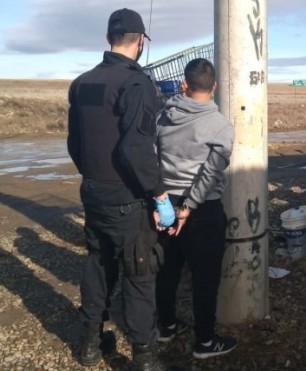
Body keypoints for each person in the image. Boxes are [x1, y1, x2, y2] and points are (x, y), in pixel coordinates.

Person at [67, 8, 176, 370]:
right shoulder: (136, 84)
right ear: (141, 41)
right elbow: (136, 148)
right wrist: (160, 195)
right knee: (139, 272)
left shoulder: (82, 83)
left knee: (98, 264)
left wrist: (94, 176)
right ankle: (144, 356)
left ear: (108, 39)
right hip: (127, 198)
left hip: (93, 191)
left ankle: (89, 344)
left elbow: (74, 143)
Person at [154, 58, 237, 359]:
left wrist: (161, 201)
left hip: (164, 204)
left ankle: (165, 327)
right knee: (205, 278)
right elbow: (210, 173)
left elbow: (153, 159)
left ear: (183, 85)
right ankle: (204, 342)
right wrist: (188, 207)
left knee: (166, 271)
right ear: (214, 87)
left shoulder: (163, 117)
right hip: (202, 211)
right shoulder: (221, 127)